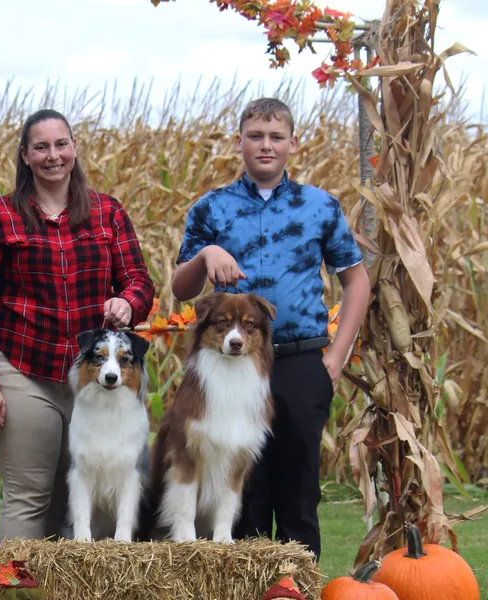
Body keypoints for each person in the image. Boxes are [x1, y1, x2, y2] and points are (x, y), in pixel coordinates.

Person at [172, 97, 370, 559]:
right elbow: (182, 289)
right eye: (256, 136)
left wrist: (335, 358)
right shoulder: (211, 209)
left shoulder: (319, 206)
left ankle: (297, 584)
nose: (266, 145)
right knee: (244, 493)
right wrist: (205, 256)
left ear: (292, 143)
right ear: (238, 142)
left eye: (276, 137)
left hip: (300, 359)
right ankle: (250, 588)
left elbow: (356, 281)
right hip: (230, 367)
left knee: (299, 488)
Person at [0, 108, 155, 543]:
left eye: (61, 144)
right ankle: (16, 588)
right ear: (25, 156)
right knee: (31, 494)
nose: (53, 156)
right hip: (25, 369)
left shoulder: (107, 213)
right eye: (41, 147)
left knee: (86, 494)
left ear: (74, 148)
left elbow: (139, 280)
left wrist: (128, 302)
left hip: (94, 377)